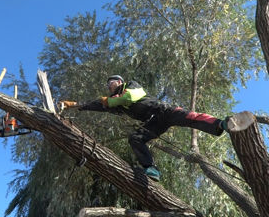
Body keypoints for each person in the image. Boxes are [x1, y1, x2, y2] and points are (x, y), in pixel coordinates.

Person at [60, 75, 228, 181]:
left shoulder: (130, 85)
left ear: (119, 82)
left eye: (111, 83)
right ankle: (151, 168)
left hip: (163, 110)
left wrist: (109, 101)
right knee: (135, 138)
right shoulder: (113, 104)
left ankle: (221, 124)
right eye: (107, 85)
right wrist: (74, 105)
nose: (109, 86)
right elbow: (95, 104)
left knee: (190, 117)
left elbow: (130, 98)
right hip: (153, 122)